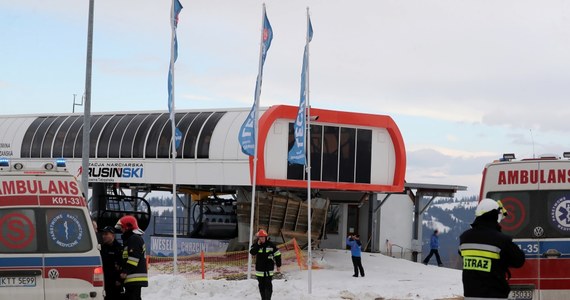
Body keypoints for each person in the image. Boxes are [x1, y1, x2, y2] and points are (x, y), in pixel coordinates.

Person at [459, 198, 525, 299]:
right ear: (494, 215)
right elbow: (519, 261)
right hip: (495, 296)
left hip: (470, 296)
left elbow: (463, 254)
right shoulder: (502, 240)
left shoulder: (464, 237)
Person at [115, 215, 148, 300]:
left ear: (127, 227)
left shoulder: (134, 239)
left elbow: (133, 259)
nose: (121, 230)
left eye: (122, 227)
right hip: (132, 279)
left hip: (134, 278)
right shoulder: (132, 239)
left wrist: (125, 272)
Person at [249, 229, 281, 300]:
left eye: (263, 237)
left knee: (268, 285)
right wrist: (258, 245)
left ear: (266, 237)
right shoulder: (256, 245)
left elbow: (278, 254)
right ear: (258, 238)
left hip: (268, 269)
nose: (262, 239)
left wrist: (278, 265)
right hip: (259, 270)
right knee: (261, 286)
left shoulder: (271, 245)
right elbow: (252, 252)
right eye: (260, 237)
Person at [100, 226, 124, 299]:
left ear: (113, 235)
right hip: (104, 282)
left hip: (115, 283)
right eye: (103, 234)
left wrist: (120, 280)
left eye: (106, 234)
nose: (104, 236)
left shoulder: (119, 248)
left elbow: (123, 265)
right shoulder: (101, 248)